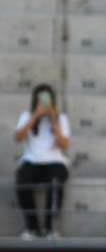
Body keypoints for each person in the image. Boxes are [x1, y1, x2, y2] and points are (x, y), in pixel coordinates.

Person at [13, 83, 70, 240]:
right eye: (41, 98)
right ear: (35, 100)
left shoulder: (61, 118)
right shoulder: (26, 116)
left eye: (47, 98)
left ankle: (50, 229)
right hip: (32, 160)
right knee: (22, 181)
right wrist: (35, 116)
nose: (44, 102)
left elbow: (64, 144)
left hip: (55, 161)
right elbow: (18, 137)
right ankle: (33, 229)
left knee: (56, 182)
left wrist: (53, 120)